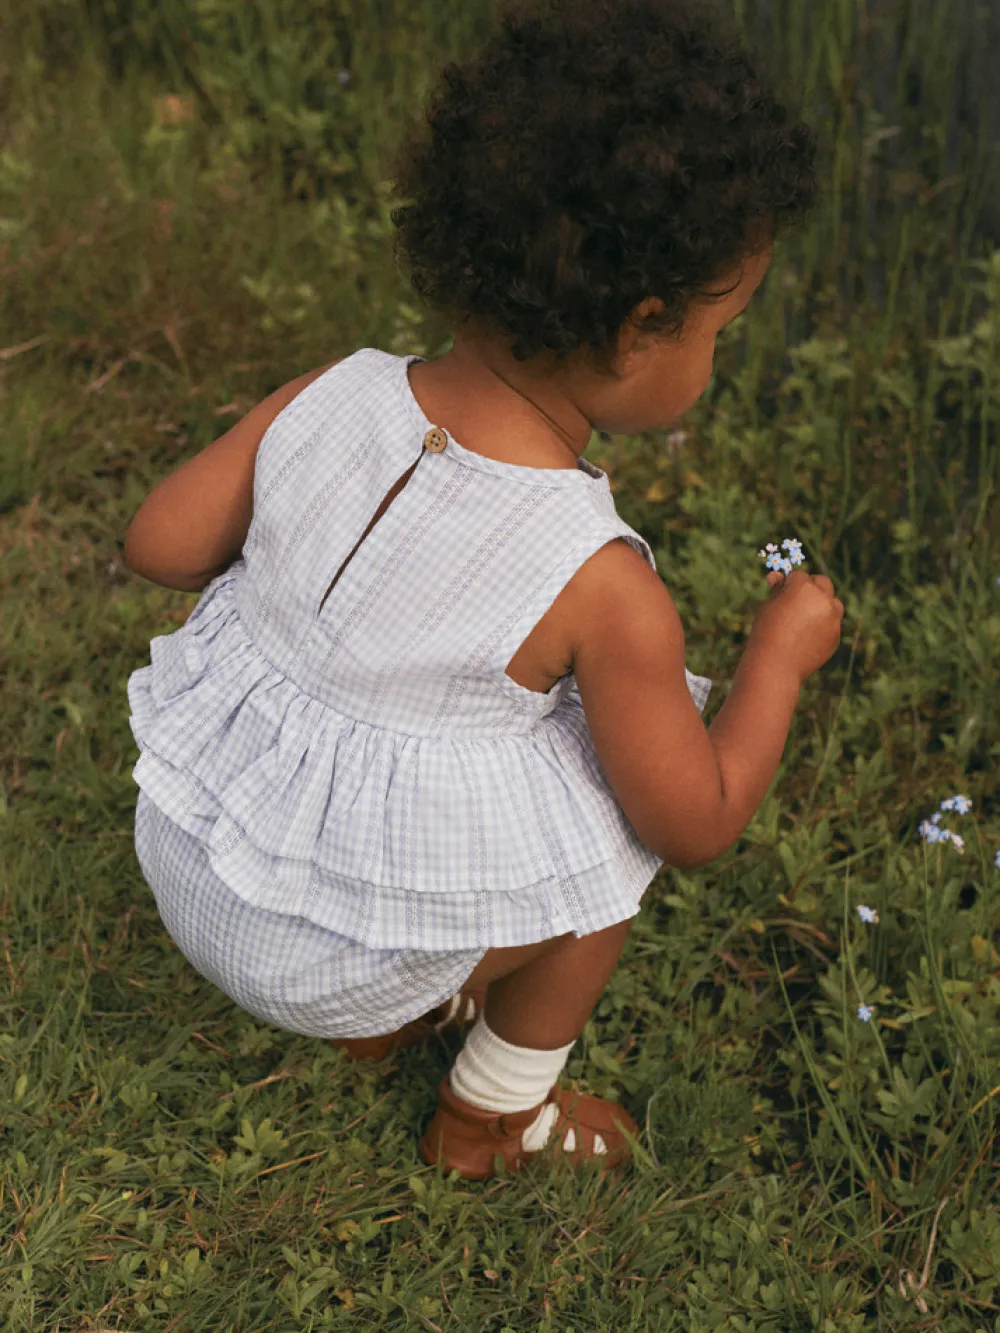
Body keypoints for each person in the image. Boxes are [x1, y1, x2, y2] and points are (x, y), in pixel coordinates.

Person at [123, 0, 844, 1182]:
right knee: (604, 853)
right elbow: (697, 820)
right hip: (321, 959)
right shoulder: (599, 581)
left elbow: (159, 541)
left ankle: (396, 998)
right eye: (726, 326)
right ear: (644, 325)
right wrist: (777, 657)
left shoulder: (337, 389)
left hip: (189, 858)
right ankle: (487, 1119)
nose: (722, 354)